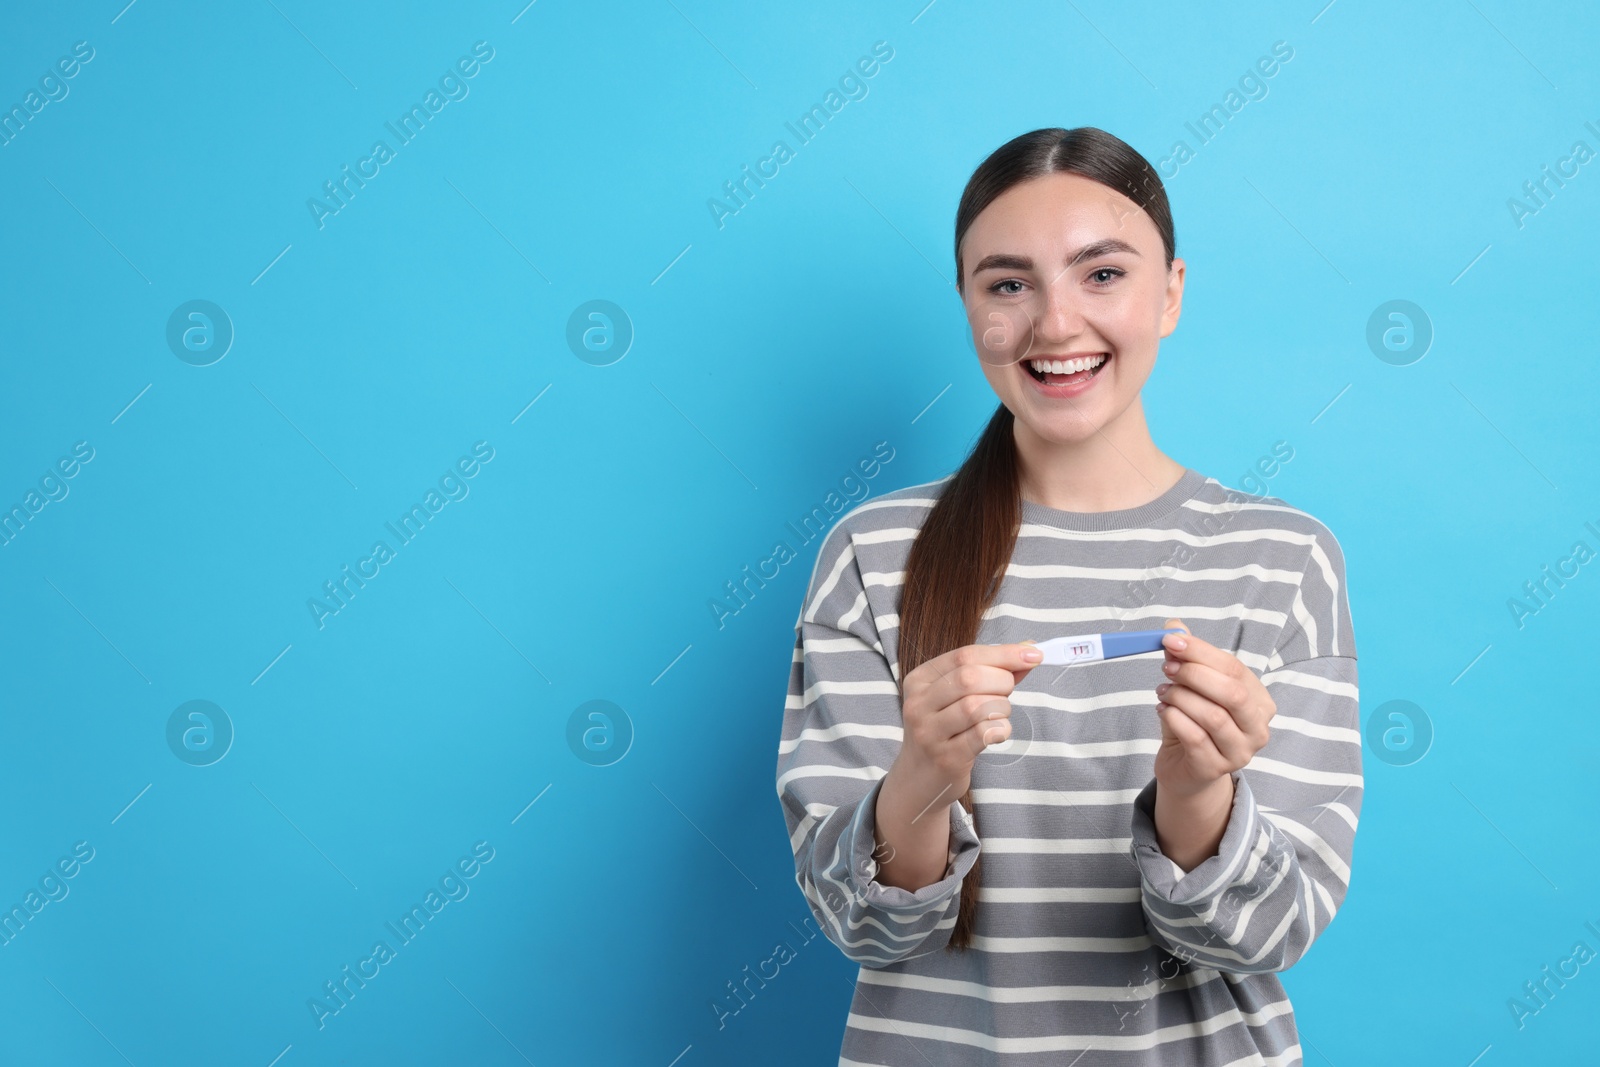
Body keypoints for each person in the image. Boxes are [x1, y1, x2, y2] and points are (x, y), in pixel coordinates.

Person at [775, 126, 1360, 1066]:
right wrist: (922, 775)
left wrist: (1197, 792)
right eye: (1008, 284)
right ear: (968, 306)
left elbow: (1267, 936)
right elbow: (863, 930)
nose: (1054, 325)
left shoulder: (1284, 559)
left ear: (1170, 291)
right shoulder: (873, 555)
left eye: (1102, 274)